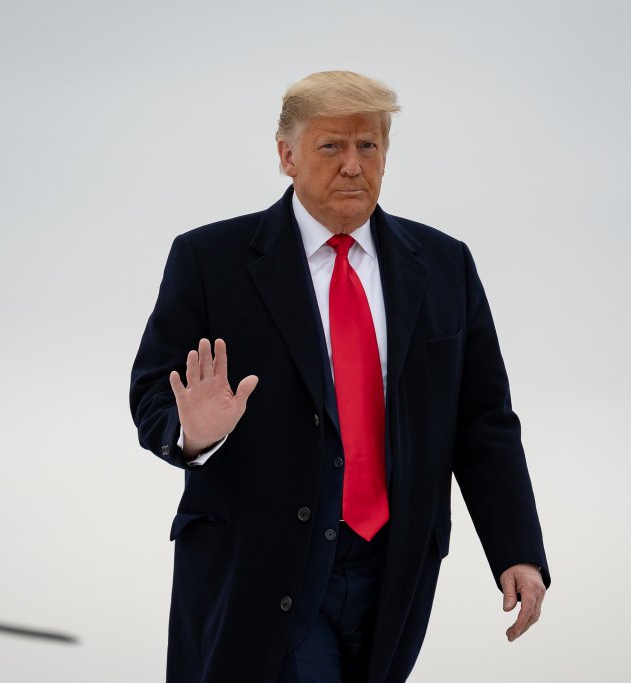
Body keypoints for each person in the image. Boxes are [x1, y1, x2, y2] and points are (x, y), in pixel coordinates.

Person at [129, 70, 550, 683]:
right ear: (287, 155)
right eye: (332, 146)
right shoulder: (209, 259)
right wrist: (196, 432)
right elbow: (152, 393)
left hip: (393, 569)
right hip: (260, 565)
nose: (353, 166)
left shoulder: (443, 265)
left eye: (369, 146)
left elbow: (483, 420)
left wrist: (517, 550)